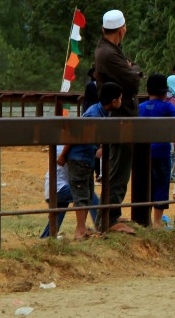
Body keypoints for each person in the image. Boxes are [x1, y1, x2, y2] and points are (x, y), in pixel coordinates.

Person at [93, 9, 142, 231]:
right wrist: (134, 69)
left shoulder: (110, 50)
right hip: (120, 116)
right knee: (117, 169)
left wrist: (131, 70)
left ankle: (111, 214)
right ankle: (108, 219)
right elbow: (132, 82)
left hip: (122, 114)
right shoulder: (110, 54)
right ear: (123, 29)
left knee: (120, 167)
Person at [61, 82, 122, 238]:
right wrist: (63, 155)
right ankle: (80, 230)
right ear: (114, 101)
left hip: (87, 158)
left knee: (87, 193)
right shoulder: (93, 115)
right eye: (120, 98)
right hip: (79, 158)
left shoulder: (103, 113)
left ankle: (82, 228)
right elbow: (74, 134)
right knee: (81, 193)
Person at [138, 74, 175, 229]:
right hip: (162, 153)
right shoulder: (167, 107)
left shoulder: (140, 107)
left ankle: (146, 221)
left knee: (145, 186)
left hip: (143, 154)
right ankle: (157, 223)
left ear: (148, 90)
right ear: (165, 92)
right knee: (161, 186)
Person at [41, 145, 101, 239]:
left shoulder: (58, 147)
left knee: (54, 225)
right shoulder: (63, 150)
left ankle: (46, 237)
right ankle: (101, 225)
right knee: (88, 194)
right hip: (60, 189)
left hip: (53, 189)